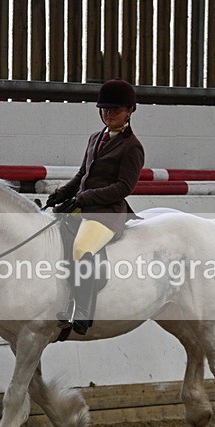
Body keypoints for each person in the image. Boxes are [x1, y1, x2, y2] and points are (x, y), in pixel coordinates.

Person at [45, 78, 145, 335]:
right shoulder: (94, 138)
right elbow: (82, 175)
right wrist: (60, 194)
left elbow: (124, 187)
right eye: (104, 109)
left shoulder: (132, 147)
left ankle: (82, 309)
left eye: (115, 110)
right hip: (83, 206)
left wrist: (84, 199)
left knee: (81, 248)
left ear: (130, 110)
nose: (108, 114)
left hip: (107, 213)